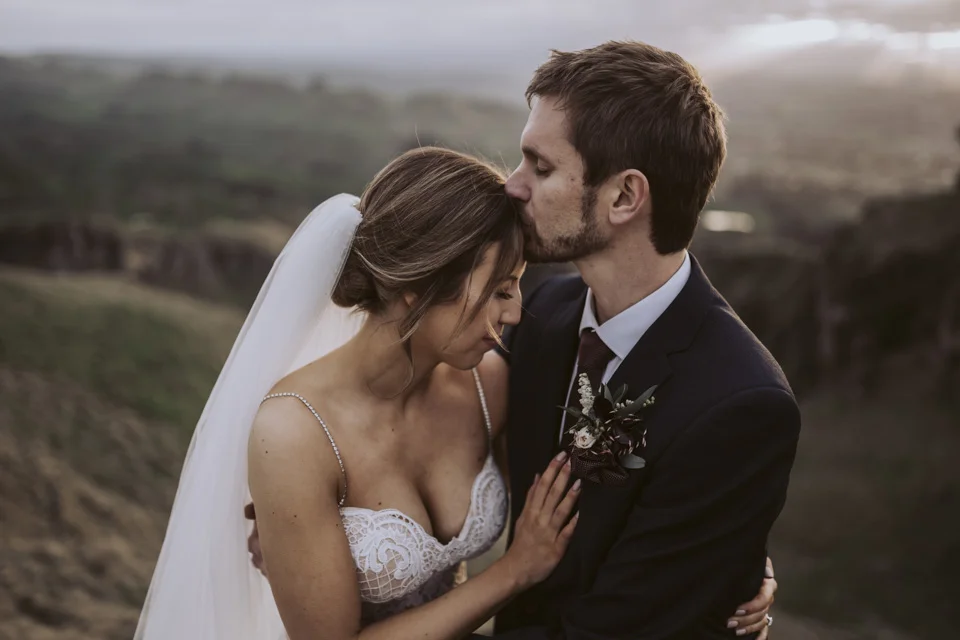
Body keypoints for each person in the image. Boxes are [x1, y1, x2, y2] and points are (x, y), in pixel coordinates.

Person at [136, 147, 774, 639]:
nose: (518, 311)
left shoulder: (488, 379)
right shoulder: (295, 432)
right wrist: (513, 570)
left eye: (519, 285)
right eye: (499, 289)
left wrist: (733, 553)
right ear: (417, 287)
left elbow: (621, 470)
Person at [482, 40, 800, 639]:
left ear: (625, 196)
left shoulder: (739, 405)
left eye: (541, 168)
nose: (513, 186)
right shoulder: (544, 313)